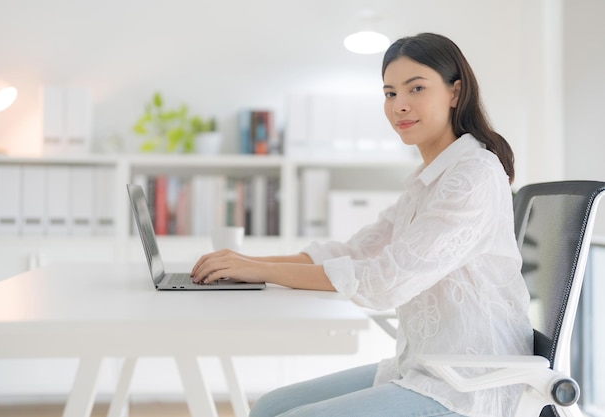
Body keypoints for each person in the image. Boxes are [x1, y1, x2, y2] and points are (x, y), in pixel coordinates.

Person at [191, 32, 533, 417]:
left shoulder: (472, 175)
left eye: (415, 88)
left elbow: (388, 279)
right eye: (389, 94)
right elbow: (353, 252)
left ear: (455, 92)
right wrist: (246, 263)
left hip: (468, 385)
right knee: (271, 407)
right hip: (421, 369)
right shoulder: (428, 180)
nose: (399, 105)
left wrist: (259, 269)